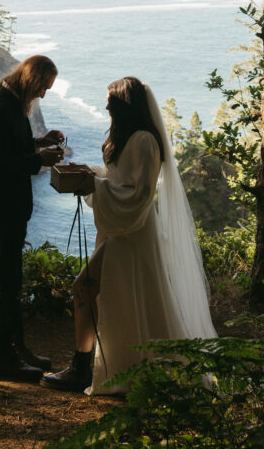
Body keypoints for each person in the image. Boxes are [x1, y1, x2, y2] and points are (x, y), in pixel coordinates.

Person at [42, 76, 217, 394]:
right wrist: (93, 173)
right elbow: (119, 179)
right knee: (116, 296)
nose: (106, 103)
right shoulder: (126, 137)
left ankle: (85, 367)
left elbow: (139, 194)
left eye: (111, 98)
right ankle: (96, 365)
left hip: (133, 235)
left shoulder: (145, 141)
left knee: (86, 288)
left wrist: (94, 185)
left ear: (125, 104)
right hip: (119, 233)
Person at [0, 55, 65, 382]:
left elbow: (11, 147)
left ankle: (17, 348)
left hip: (7, 205)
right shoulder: (0, 107)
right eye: (42, 86)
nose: (43, 94)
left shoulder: (11, 101)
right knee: (3, 281)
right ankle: (2, 357)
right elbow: (1, 163)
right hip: (1, 205)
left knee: (12, 279)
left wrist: (41, 141)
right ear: (31, 77)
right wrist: (39, 159)